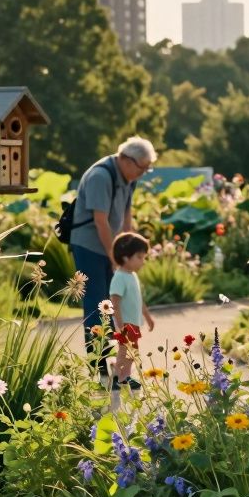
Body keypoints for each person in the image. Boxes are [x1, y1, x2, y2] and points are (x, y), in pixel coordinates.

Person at [67, 137, 157, 372]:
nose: (143, 173)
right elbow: (100, 221)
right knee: (98, 302)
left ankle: (119, 364)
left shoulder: (129, 178)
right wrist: (115, 257)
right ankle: (98, 364)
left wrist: (130, 248)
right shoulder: (100, 176)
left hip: (111, 248)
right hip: (89, 246)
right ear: (126, 159)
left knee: (117, 302)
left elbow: (126, 217)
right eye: (142, 168)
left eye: (147, 169)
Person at [109, 232, 155, 389]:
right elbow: (114, 301)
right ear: (126, 257)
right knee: (124, 352)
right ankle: (116, 378)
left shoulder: (132, 275)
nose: (143, 261)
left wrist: (148, 317)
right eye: (140, 257)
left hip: (133, 323)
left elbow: (139, 300)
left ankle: (125, 377)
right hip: (125, 324)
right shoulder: (120, 277)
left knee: (132, 352)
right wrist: (120, 325)